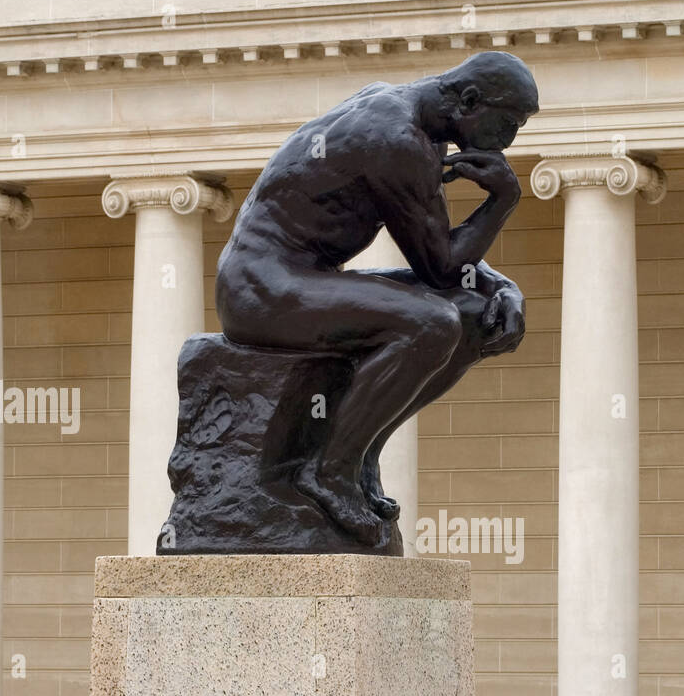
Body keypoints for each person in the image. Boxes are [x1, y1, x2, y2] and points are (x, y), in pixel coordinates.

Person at [214, 52, 539, 545]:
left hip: (303, 278)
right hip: (260, 287)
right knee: (431, 323)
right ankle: (328, 472)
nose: (510, 141)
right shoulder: (397, 137)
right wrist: (503, 201)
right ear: (470, 101)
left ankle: (360, 455)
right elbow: (441, 266)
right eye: (509, 124)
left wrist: (499, 286)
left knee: (473, 313)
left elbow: (446, 265)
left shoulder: (407, 117)